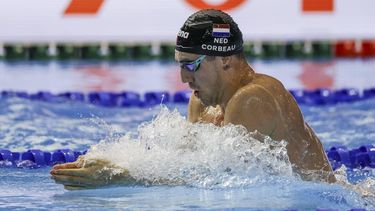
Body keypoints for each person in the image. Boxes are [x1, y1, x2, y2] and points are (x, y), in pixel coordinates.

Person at [51, 9, 336, 190]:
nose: (183, 79)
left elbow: (222, 180)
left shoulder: (253, 99)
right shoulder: (202, 103)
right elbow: (185, 163)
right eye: (179, 65)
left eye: (190, 65)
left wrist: (117, 176)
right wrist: (108, 161)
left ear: (224, 60)